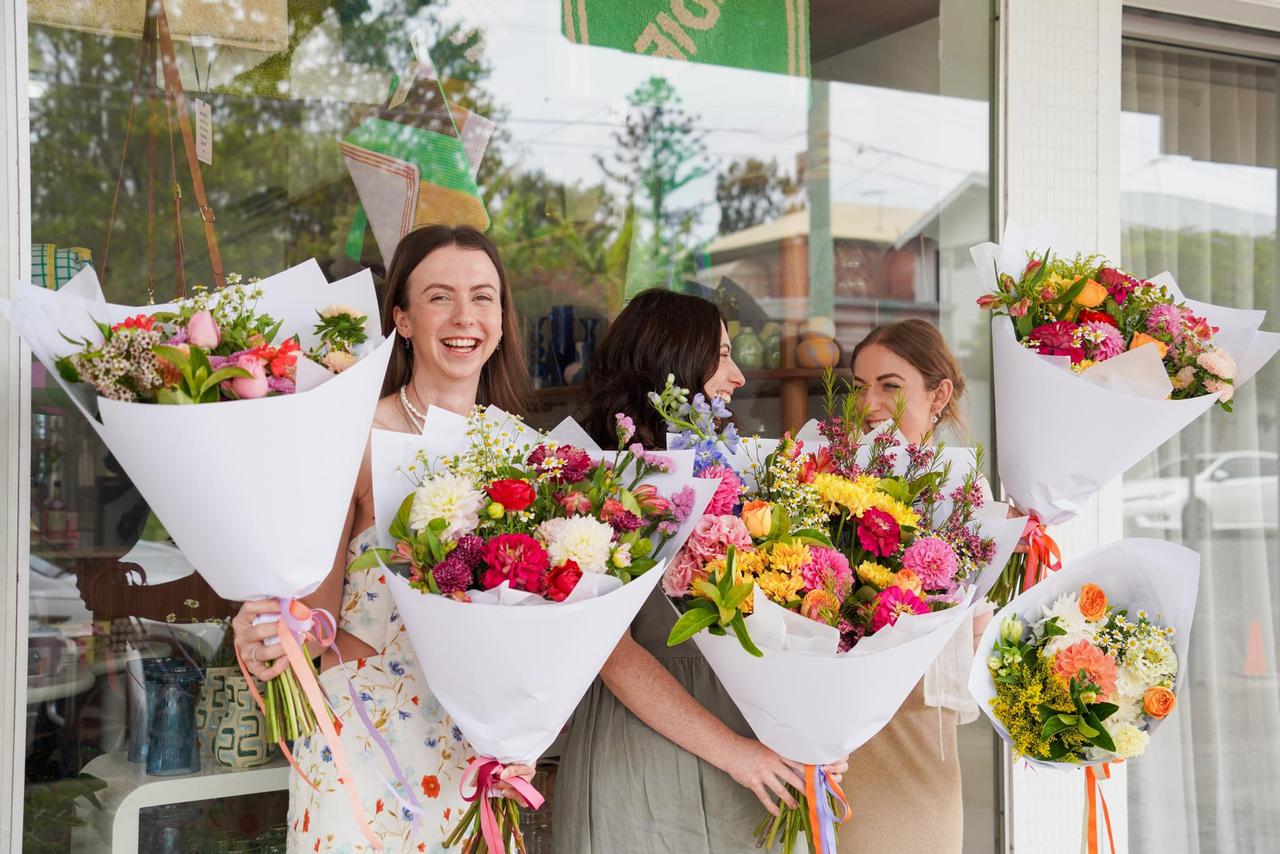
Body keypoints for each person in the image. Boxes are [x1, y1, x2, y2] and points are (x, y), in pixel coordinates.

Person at [232, 225, 534, 852]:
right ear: (401, 315)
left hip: (473, 758)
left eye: (483, 297)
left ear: (502, 321)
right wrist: (267, 636)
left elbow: (537, 632)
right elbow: (310, 614)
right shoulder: (351, 436)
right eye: (439, 296)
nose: (464, 316)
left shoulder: (525, 455)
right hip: (362, 745)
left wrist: (525, 731)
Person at [554, 289, 845, 854]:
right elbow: (610, 653)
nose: (737, 376)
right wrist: (736, 754)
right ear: (672, 359)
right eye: (721, 354)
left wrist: (819, 730)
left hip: (754, 744)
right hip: (645, 745)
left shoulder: (743, 475)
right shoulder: (599, 483)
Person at [838, 317, 996, 853]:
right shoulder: (828, 477)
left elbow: (975, 630)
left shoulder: (965, 491)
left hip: (917, 726)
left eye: (890, 385)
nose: (870, 403)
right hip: (831, 724)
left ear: (939, 394)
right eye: (859, 387)